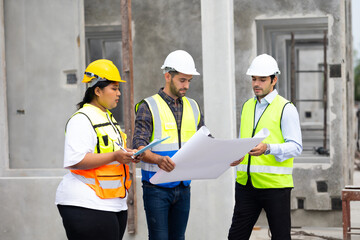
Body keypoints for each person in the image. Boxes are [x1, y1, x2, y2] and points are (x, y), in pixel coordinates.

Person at [55, 59, 140, 240]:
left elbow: (112, 154)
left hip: (112, 204)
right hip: (86, 203)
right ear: (98, 90)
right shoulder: (81, 119)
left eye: (118, 88)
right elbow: (76, 159)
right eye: (114, 88)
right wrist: (116, 156)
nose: (118, 93)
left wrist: (128, 155)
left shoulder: (107, 118)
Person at [228, 54, 303, 240]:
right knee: (236, 236)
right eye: (254, 79)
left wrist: (268, 148)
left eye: (262, 79)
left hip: (275, 187)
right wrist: (237, 155)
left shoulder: (286, 108)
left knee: (280, 237)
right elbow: (245, 142)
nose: (256, 84)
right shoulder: (247, 106)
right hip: (246, 185)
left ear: (274, 80)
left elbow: (296, 147)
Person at [133, 50, 205, 240]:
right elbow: (138, 147)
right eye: (182, 80)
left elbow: (205, 141)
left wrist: (226, 156)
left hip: (183, 187)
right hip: (156, 187)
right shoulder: (148, 106)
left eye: (189, 80)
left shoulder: (193, 106)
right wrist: (157, 159)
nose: (186, 86)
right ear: (167, 76)